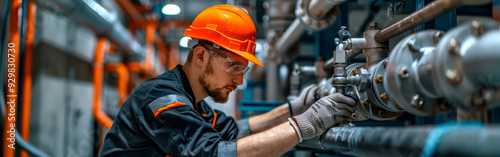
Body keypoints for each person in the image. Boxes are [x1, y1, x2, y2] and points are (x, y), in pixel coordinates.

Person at [99, 4, 356, 157]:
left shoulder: (194, 103)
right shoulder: (163, 99)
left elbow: (237, 130)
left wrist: (295, 108)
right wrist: (305, 124)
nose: (239, 80)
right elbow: (213, 154)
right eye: (233, 65)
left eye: (243, 69)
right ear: (200, 55)